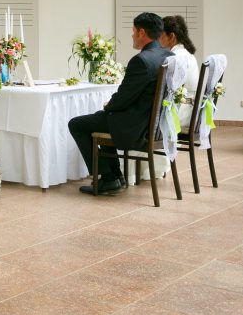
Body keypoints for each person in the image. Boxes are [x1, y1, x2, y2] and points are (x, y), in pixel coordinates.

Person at [68, 12, 173, 195]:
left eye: (133, 31)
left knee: (77, 124)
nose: (132, 35)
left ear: (141, 32)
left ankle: (108, 177)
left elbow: (124, 97)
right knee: (102, 118)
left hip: (135, 127)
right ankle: (116, 176)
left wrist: (109, 105)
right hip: (154, 124)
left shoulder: (141, 60)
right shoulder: (168, 55)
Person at [160, 15, 199, 128]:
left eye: (161, 36)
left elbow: (166, 90)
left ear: (171, 36)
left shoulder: (176, 58)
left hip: (180, 115)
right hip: (191, 111)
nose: (159, 40)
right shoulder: (187, 54)